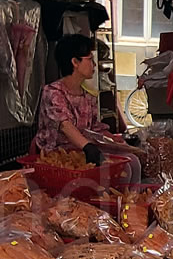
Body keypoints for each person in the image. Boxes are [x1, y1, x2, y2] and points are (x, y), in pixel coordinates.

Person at [35, 35, 143, 177]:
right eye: (90, 59)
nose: (95, 64)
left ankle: (128, 199)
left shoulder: (88, 97)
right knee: (123, 169)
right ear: (75, 62)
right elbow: (65, 126)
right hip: (58, 156)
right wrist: (87, 147)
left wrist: (116, 141)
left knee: (132, 161)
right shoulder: (53, 93)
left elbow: (95, 129)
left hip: (83, 151)